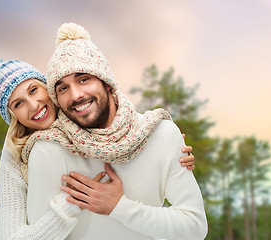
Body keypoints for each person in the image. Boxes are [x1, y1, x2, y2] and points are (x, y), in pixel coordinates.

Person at [25, 23, 208, 239]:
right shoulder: (49, 149)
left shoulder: (160, 134)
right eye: (63, 88)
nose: (75, 95)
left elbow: (195, 227)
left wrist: (118, 207)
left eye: (84, 79)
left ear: (108, 84)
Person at [0, 59, 196, 239]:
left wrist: (166, 143)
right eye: (18, 104)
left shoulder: (83, 116)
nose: (34, 105)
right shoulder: (19, 152)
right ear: (13, 117)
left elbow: (124, 125)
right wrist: (71, 203)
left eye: (34, 90)